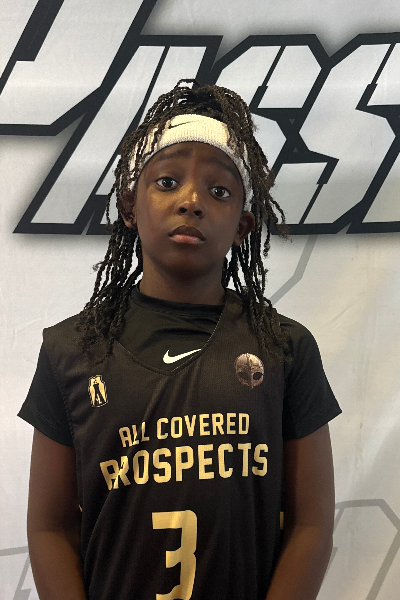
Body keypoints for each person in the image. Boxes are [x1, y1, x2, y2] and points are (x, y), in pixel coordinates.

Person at [19, 80, 341, 600]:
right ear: (129, 207)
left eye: (219, 192)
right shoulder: (71, 350)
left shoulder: (285, 348)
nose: (192, 202)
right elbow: (50, 527)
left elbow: (311, 523)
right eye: (167, 182)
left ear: (243, 226)